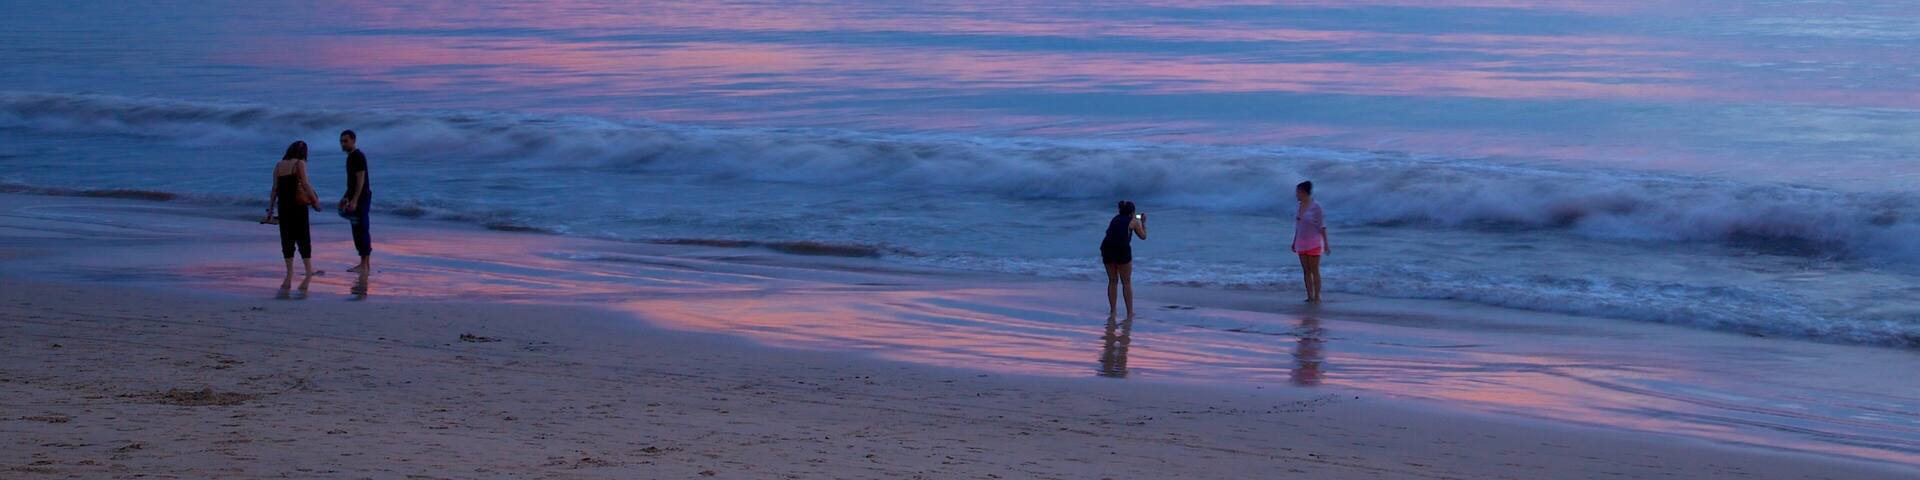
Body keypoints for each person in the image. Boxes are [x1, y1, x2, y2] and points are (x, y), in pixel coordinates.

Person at [264, 141, 322, 281]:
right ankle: (308, 270)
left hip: (283, 206)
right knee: (303, 237)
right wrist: (315, 201)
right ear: (303, 153)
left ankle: (289, 271)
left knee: (287, 238)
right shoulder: (299, 164)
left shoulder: (278, 165)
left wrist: (270, 210)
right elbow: (305, 184)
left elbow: (274, 189)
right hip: (298, 205)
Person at [1100, 200, 1148, 318]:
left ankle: (1113, 310)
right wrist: (1143, 222)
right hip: (1121, 251)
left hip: (1106, 249)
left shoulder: (1115, 219)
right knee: (1126, 282)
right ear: (1132, 212)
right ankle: (1130, 313)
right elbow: (1143, 236)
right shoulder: (1134, 222)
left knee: (1112, 281)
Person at [338, 130, 374, 273]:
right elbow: (351, 183)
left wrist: (354, 200)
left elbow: (361, 179)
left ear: (353, 140)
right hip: (355, 197)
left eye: (345, 141)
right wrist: (345, 197)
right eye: (341, 141)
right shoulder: (351, 157)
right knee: (357, 229)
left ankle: (364, 265)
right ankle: (364, 264)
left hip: (362, 197)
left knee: (361, 229)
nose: (343, 144)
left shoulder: (357, 156)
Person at [1292, 181, 1328, 302]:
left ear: (1303, 192)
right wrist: (1294, 241)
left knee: (1314, 270)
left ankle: (1317, 296)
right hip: (1301, 242)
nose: (1296, 194)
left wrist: (1326, 244)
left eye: (1297, 192)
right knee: (1306, 270)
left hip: (1314, 242)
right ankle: (1309, 295)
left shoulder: (1316, 207)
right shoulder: (1299, 206)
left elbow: (1322, 226)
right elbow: (1298, 226)